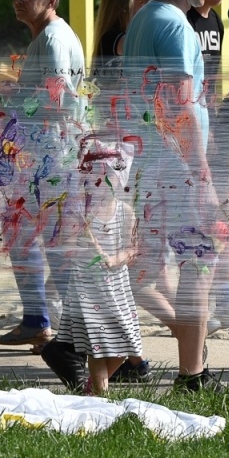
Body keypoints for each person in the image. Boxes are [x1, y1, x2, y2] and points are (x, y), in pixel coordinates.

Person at [122, 0, 218, 392]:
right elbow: (180, 105)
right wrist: (201, 175)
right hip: (177, 165)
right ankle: (191, 374)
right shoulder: (177, 27)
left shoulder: (143, 19)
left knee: (154, 265)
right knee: (198, 262)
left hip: (148, 161)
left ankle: (184, 356)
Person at [0, 0, 86, 351]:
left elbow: (61, 102)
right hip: (45, 157)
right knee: (29, 238)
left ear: (50, 0)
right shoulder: (48, 38)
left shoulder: (51, 40)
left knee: (44, 241)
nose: (16, 2)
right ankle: (40, 320)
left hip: (49, 160)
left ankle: (65, 328)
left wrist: (7, 98)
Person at [187, 0, 229, 325]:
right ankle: (203, 300)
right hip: (192, 124)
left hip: (214, 120)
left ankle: (223, 293)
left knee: (225, 211)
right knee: (198, 215)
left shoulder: (216, 24)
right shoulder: (187, 18)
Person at [65, 139, 146, 394]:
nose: (99, 181)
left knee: (127, 344)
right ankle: (100, 396)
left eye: (106, 174)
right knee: (97, 345)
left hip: (117, 289)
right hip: (88, 289)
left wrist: (116, 258)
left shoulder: (125, 212)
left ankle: (90, 390)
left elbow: (133, 248)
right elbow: (67, 244)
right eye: (94, 174)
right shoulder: (81, 210)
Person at [92, 0, 157, 67]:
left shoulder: (131, 34)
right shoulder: (110, 37)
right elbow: (142, 43)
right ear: (126, 3)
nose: (146, 6)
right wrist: (155, 6)